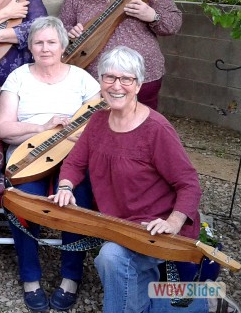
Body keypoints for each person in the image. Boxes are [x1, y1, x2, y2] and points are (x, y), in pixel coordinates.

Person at [53, 46, 205, 313]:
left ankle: (194, 302)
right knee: (124, 274)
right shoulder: (98, 122)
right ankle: (198, 303)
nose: (116, 86)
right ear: (100, 82)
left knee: (110, 258)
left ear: (139, 84)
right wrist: (65, 186)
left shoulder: (156, 130)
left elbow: (189, 183)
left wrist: (173, 221)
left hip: (156, 230)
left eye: (126, 79)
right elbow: (75, 163)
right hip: (120, 228)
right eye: (109, 78)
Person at [0, 16, 100, 311]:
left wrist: (79, 138)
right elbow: (3, 128)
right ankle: (30, 277)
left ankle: (70, 277)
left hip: (74, 156)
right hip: (28, 156)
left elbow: (100, 122)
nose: (45, 48)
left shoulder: (81, 78)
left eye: (51, 42)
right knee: (27, 202)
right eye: (38, 42)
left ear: (63, 45)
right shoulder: (18, 77)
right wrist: (42, 128)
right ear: (30, 47)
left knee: (78, 201)